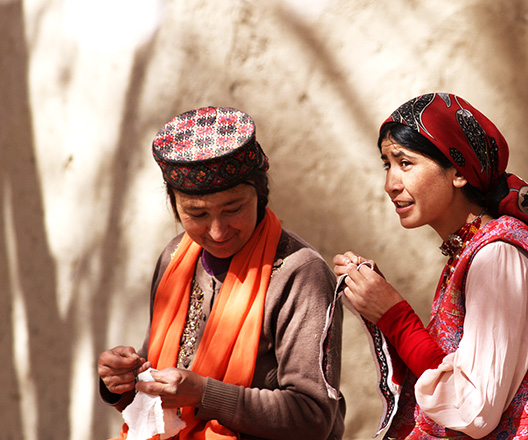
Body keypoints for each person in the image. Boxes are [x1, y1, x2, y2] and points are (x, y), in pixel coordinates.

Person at [333, 92, 528, 439]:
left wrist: (395, 317)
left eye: (405, 163)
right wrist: (377, 303)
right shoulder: (473, 251)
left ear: (458, 172)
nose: (391, 185)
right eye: (388, 165)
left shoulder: (499, 257)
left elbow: (473, 409)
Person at [98, 106, 345, 440]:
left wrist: (205, 394)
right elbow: (158, 392)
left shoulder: (299, 274)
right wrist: (121, 382)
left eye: (233, 209)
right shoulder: (175, 258)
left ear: (260, 194)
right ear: (175, 205)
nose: (217, 232)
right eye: (197, 214)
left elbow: (313, 418)